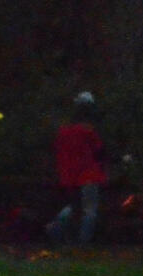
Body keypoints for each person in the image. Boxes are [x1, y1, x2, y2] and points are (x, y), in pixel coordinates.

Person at [45, 91, 108, 245]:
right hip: (88, 176)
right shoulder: (88, 131)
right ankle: (82, 242)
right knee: (89, 211)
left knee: (73, 207)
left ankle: (55, 231)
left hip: (69, 176)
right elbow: (99, 151)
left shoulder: (63, 131)